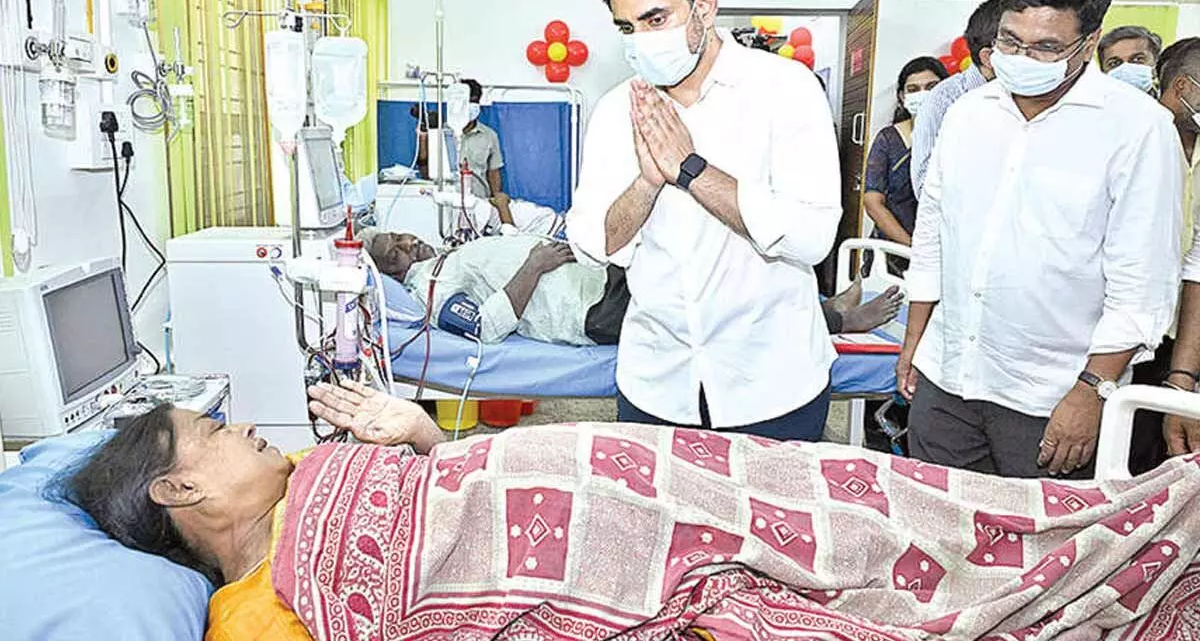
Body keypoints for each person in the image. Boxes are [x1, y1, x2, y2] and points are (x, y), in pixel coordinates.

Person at [66, 384, 1200, 641]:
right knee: (890, 560)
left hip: (654, 468)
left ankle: (1124, 520)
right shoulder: (262, 614)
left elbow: (452, 475)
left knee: (898, 497)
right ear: (178, 491)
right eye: (209, 434)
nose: (240, 429)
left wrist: (423, 438)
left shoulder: (321, 464)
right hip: (636, 549)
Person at [897, 0, 1183, 479]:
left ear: (1089, 43)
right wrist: (914, 341)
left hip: (1050, 398)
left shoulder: (1138, 130)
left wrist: (1093, 391)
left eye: (1047, 46)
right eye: (1010, 40)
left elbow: (1142, 286)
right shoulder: (967, 115)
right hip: (947, 380)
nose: (1023, 56)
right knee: (943, 540)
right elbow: (935, 235)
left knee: (1038, 554)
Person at [566, 0, 842, 442]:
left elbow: (812, 237)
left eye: (656, 19)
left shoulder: (785, 90)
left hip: (772, 382)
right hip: (656, 383)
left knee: (770, 523)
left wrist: (691, 171)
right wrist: (647, 185)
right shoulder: (614, 111)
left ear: (705, 6)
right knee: (658, 525)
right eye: (626, 28)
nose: (642, 41)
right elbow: (592, 244)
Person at [367, 230, 901, 346]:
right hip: (591, 310)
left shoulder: (453, 253)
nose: (405, 240)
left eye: (399, 233)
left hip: (599, 278)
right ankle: (834, 320)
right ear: (389, 270)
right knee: (714, 309)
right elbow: (481, 328)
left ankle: (818, 303)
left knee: (713, 263)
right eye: (392, 246)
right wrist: (533, 262)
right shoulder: (433, 287)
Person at [1146, 38, 1200, 466]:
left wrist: (1181, 378)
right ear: (1183, 86)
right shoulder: (1136, 140)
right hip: (1130, 339)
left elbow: (1196, 263)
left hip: (1185, 337)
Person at [416, 79, 559, 234]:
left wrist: (498, 203)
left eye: (475, 101)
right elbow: (426, 172)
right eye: (467, 101)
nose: (471, 105)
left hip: (479, 210)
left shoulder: (489, 136)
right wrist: (424, 137)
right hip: (447, 206)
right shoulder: (441, 133)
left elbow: (494, 173)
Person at [910, 0, 1003, 199]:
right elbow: (925, 187)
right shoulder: (945, 100)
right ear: (988, 57)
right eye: (1017, 46)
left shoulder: (1029, 96)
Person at [863, 56, 948, 252]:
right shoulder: (888, 139)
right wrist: (911, 248)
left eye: (932, 86)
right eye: (913, 89)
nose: (923, 94)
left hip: (943, 248)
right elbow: (873, 201)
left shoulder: (957, 136)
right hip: (893, 249)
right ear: (902, 96)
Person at [1098, 25, 1162, 94]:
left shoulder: (1168, 103)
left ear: (1156, 65)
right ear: (1103, 71)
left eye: (1137, 59)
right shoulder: (1090, 102)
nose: (1126, 68)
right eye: (1114, 63)